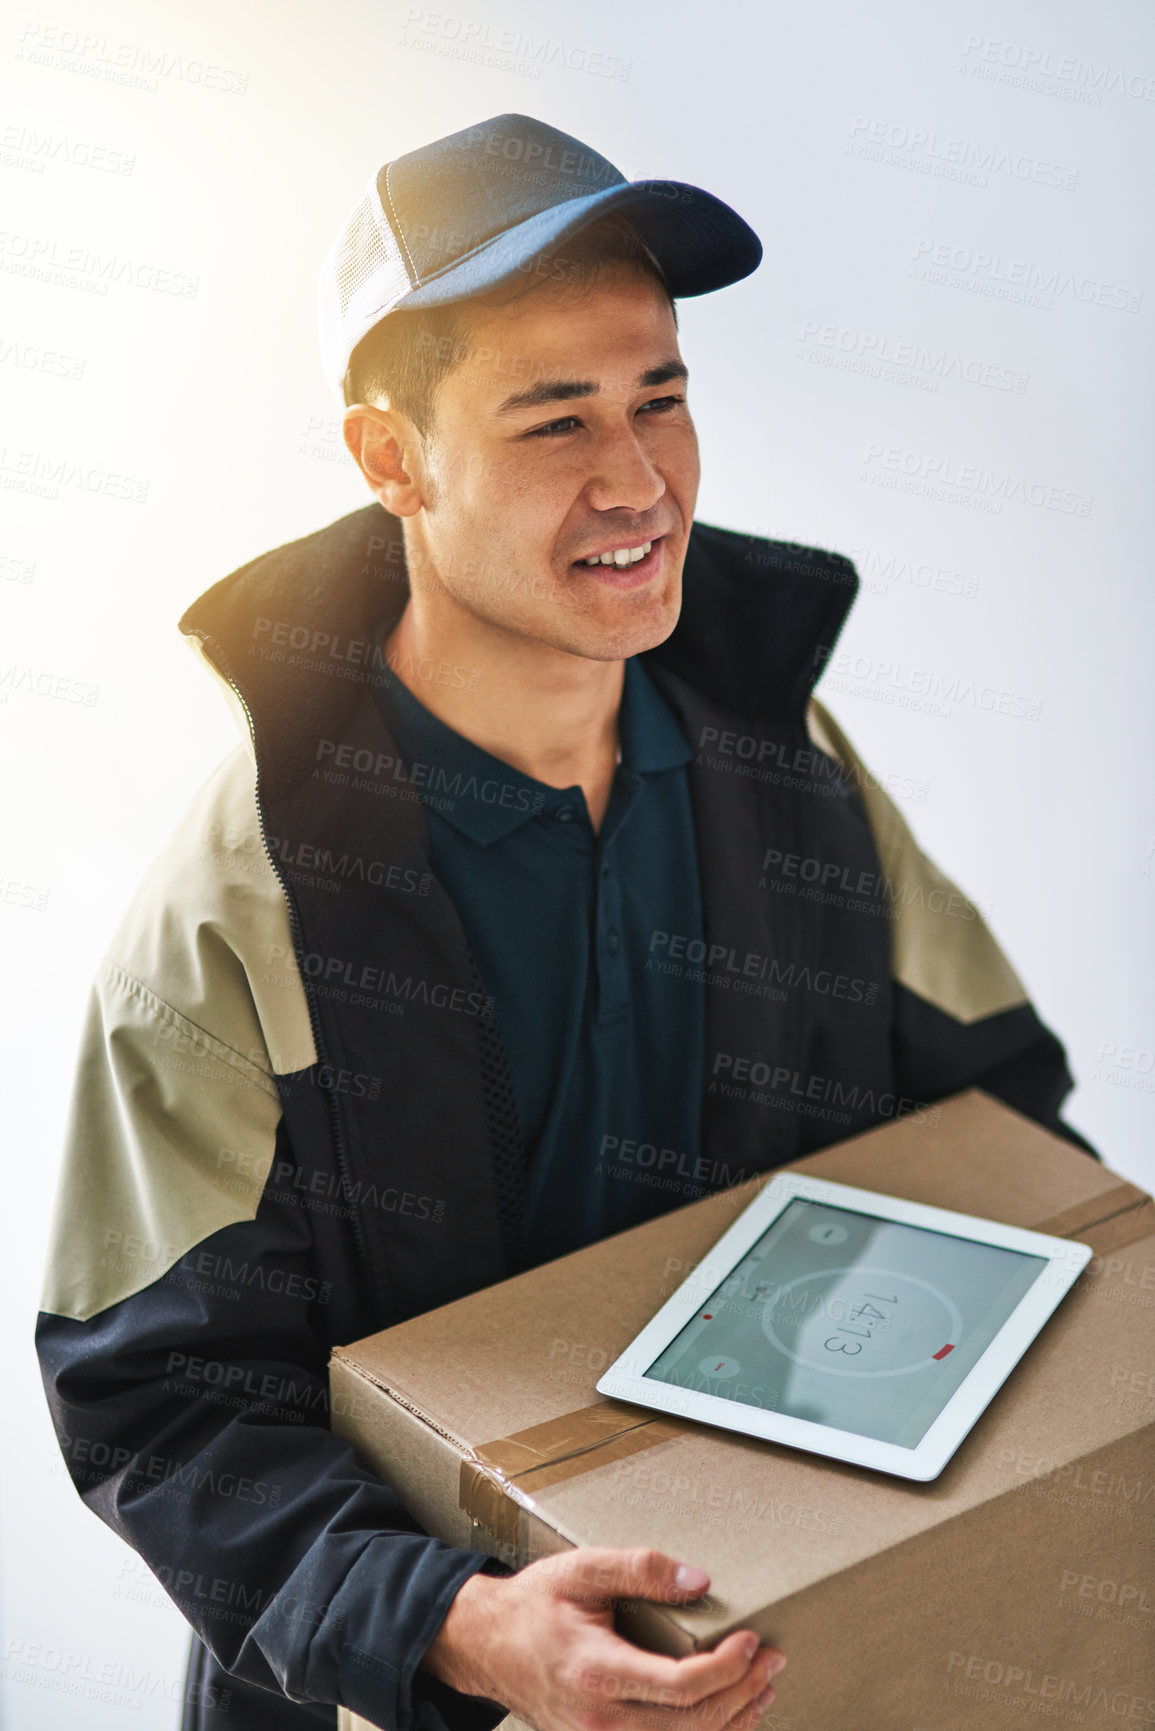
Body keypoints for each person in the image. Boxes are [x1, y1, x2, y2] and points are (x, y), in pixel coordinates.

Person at [35, 113, 1095, 1731]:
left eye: (660, 396)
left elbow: (998, 1117)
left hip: (789, 1648)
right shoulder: (242, 900)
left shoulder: (782, 760)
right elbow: (158, 1404)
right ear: (391, 461)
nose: (638, 479)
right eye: (554, 422)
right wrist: (455, 1627)